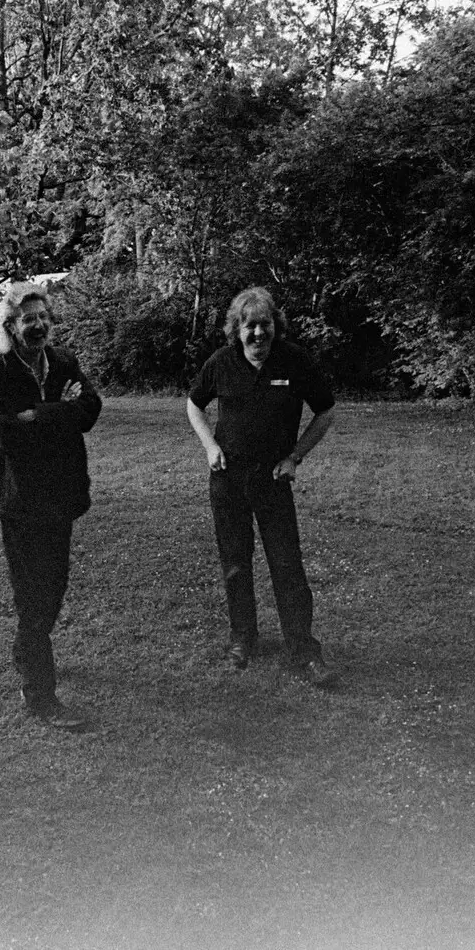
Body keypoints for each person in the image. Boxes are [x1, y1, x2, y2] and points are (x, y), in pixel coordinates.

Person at [186, 286, 339, 685]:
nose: (258, 334)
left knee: (287, 564)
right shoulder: (221, 363)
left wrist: (295, 457)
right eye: (249, 326)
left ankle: (303, 649)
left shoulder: (295, 362)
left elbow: (325, 410)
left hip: (273, 480)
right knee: (235, 564)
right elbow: (193, 404)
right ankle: (243, 637)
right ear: (236, 329)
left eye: (265, 324)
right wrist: (210, 446)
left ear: (276, 326)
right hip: (228, 480)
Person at [0, 280, 102, 730]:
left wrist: (39, 414)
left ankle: (25, 651)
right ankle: (40, 695)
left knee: (55, 586)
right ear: (10, 325)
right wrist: (57, 414)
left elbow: (90, 409)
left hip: (61, 494)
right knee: (32, 596)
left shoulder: (63, 361)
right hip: (21, 500)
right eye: (29, 319)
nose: (39, 325)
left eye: (44, 317)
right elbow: (9, 438)